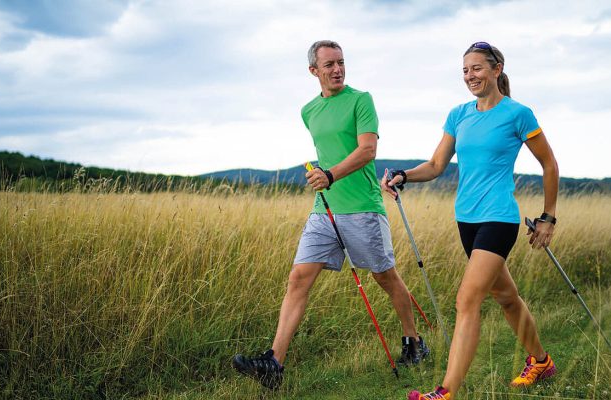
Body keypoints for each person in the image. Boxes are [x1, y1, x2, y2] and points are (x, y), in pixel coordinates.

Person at [232, 40, 429, 391]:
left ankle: (414, 343)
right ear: (314, 71)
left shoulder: (361, 100)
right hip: (324, 210)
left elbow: (368, 150)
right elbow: (328, 151)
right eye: (329, 65)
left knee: (385, 278)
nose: (337, 69)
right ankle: (273, 363)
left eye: (341, 62)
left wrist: (331, 174)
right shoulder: (308, 111)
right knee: (298, 278)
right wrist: (323, 178)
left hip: (363, 208)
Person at [382, 42, 559, 400]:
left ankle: (445, 392)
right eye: (465, 70)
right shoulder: (458, 114)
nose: (470, 76)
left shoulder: (518, 114)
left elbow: (549, 165)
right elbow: (435, 166)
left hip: (499, 218)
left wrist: (548, 218)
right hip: (466, 220)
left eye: (477, 68)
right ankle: (541, 362)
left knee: (467, 300)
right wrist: (403, 174)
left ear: (497, 69)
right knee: (506, 297)